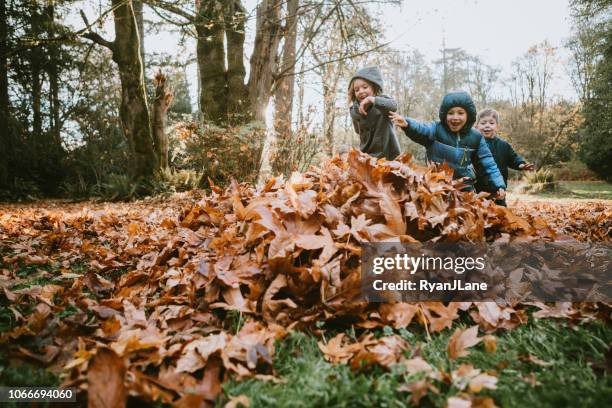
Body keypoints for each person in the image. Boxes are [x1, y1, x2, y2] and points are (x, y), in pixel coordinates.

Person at [388, 91, 506, 199]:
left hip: (463, 187)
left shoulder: (476, 137)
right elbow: (422, 129)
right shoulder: (436, 129)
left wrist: (498, 185)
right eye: (451, 113)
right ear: (445, 115)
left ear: (468, 115)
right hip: (437, 185)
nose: (455, 117)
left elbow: (487, 163)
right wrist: (408, 124)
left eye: (460, 113)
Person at [474, 108, 534, 206]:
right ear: (476, 127)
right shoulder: (474, 144)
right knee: (479, 212)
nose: (487, 126)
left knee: (500, 212)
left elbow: (513, 158)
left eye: (491, 123)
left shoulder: (504, 145)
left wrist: (521, 164)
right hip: (478, 188)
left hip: (498, 189)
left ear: (497, 127)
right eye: (483, 123)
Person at [348, 66, 401, 160]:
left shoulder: (382, 103)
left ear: (374, 87)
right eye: (357, 90)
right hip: (367, 156)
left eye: (365, 87)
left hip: (388, 156)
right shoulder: (354, 110)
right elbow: (357, 130)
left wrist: (372, 100)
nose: (361, 91)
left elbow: (394, 106)